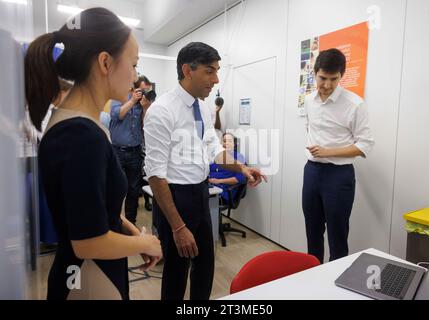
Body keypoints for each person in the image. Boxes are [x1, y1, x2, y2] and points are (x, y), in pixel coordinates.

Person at [24, 7, 161, 300]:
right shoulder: (80, 135)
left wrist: (132, 232)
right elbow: (88, 242)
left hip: (92, 273)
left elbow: (95, 209)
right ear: (105, 62)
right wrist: (145, 244)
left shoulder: (81, 125)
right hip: (88, 280)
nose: (136, 77)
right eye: (134, 64)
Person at [144, 42, 267, 300]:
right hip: (174, 199)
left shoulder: (202, 107)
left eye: (217, 71)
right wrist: (178, 228)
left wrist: (241, 167)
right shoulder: (162, 110)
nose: (216, 79)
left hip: (201, 194)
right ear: (188, 70)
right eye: (210, 71)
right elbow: (155, 174)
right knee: (176, 273)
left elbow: (213, 149)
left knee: (204, 267)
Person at [302, 48, 375, 264]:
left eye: (333, 79)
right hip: (312, 171)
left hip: (339, 175)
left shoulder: (355, 104)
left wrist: (328, 151)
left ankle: (334, 286)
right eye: (322, 78)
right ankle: (312, 278)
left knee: (337, 234)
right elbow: (310, 127)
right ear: (314, 73)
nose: (327, 85)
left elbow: (365, 145)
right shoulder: (308, 100)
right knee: (312, 231)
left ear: (341, 76)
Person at [110, 75, 153, 225]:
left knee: (133, 191)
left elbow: (146, 125)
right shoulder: (120, 96)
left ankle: (131, 223)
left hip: (135, 152)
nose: (144, 93)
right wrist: (132, 100)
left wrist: (145, 107)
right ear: (135, 88)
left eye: (146, 90)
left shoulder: (142, 104)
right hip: (117, 152)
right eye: (142, 90)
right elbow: (117, 115)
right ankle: (114, 223)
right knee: (116, 189)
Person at [209, 133, 246, 204]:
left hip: (223, 193)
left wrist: (219, 181)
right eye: (224, 141)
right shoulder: (217, 156)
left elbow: (240, 179)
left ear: (234, 144)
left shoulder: (238, 157)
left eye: (230, 141)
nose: (227, 143)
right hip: (211, 188)